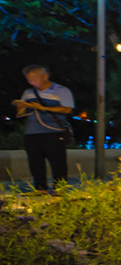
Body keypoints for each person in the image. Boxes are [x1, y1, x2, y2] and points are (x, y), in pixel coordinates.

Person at [15, 65, 74, 193]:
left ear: (45, 76)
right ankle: (40, 189)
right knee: (35, 161)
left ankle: (60, 189)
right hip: (32, 132)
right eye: (29, 79)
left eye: (34, 79)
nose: (31, 82)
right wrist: (21, 107)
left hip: (53, 131)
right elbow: (21, 113)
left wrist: (44, 108)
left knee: (57, 162)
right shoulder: (28, 92)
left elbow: (67, 109)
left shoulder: (61, 90)